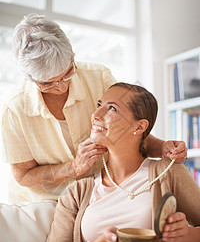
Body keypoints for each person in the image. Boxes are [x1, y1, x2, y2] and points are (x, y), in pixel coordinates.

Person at [1, 14, 187, 203]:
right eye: (48, 83)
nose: (61, 87)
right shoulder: (14, 109)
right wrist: (73, 168)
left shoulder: (98, 76)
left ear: (72, 56)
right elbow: (23, 176)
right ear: (30, 78)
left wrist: (163, 147)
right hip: (43, 204)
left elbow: (128, 131)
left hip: (97, 198)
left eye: (67, 73)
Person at [44, 83, 200, 242]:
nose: (96, 114)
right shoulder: (77, 192)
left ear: (139, 127)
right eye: (99, 105)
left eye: (111, 108)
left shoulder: (167, 173)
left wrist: (185, 235)